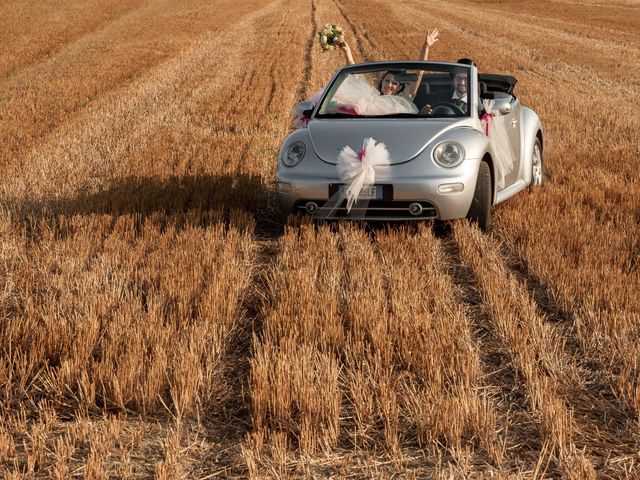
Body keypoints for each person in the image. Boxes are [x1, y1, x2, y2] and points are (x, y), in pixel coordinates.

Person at [335, 29, 439, 101]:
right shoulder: (373, 96)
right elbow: (356, 76)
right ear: (382, 82)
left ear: (399, 88)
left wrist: (426, 47)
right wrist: (347, 52)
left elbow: (419, 73)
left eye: (394, 83)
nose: (389, 85)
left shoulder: (404, 99)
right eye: (387, 81)